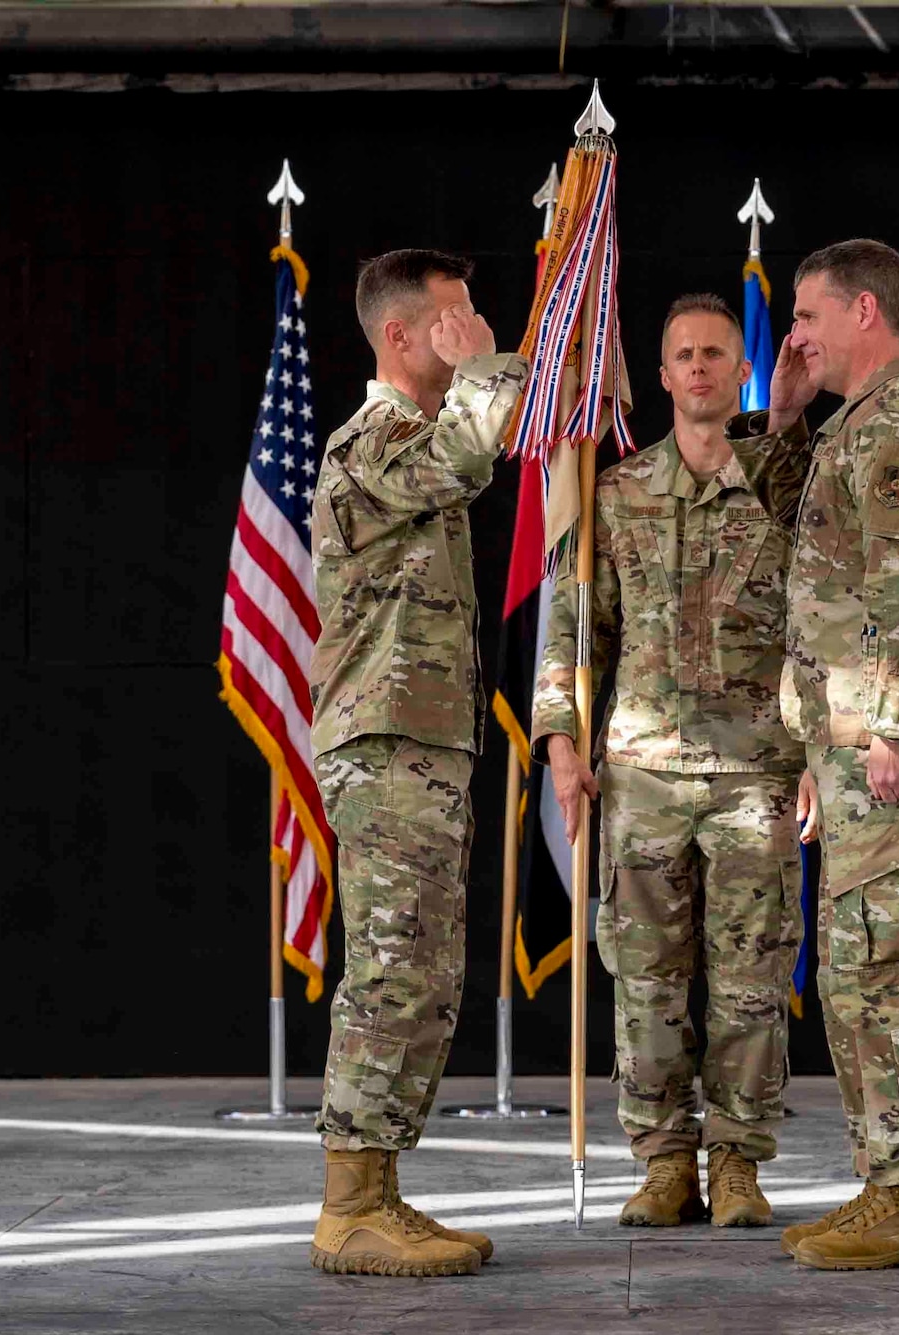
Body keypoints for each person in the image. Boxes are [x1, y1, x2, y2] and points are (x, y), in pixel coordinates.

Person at [534, 294, 815, 1230]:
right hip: (644, 779)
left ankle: (736, 1161)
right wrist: (562, 742)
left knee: (749, 983)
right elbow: (578, 631)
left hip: (754, 776)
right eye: (682, 354)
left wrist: (820, 749)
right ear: (660, 375)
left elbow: (824, 616)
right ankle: (662, 1162)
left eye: (716, 354)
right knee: (648, 982)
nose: (698, 367)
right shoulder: (618, 493)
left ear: (742, 370)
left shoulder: (785, 483)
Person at [735, 239, 899, 1271]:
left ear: (865, 311)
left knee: (890, 967)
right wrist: (782, 421)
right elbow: (808, 547)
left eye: (805, 314)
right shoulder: (853, 428)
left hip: (889, 742)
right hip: (849, 739)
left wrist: (888, 728)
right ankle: (885, 1183)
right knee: (855, 968)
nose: (792, 333)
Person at [306, 249, 529, 1278]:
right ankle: (348, 1204)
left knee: (426, 974)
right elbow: (469, 458)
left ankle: (380, 1188)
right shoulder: (370, 444)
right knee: (393, 970)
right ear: (400, 337)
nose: (472, 327)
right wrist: (490, 365)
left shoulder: (419, 434)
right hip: (385, 743)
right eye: (453, 316)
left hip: (424, 740)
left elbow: (487, 440)